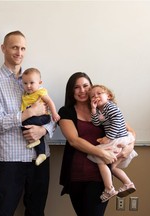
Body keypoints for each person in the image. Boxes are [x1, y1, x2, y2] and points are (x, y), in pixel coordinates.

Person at [0, 31, 55, 216]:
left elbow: (51, 118)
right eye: (14, 47)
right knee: (2, 211)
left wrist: (42, 130)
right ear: (3, 48)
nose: (19, 52)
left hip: (38, 159)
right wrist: (29, 113)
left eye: (23, 48)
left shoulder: (35, 78)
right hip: (9, 159)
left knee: (36, 211)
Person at [57, 72, 136, 216]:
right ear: (71, 91)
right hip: (76, 175)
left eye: (86, 86)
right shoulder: (66, 112)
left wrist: (130, 146)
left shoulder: (104, 107)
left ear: (92, 87)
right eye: (77, 87)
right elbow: (74, 140)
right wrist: (101, 153)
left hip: (100, 178)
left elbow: (129, 130)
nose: (82, 90)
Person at [87, 84, 137, 202]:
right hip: (117, 139)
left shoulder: (111, 107)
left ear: (108, 96)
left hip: (117, 139)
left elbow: (117, 121)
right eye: (92, 96)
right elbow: (96, 123)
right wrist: (93, 110)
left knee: (98, 157)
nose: (96, 97)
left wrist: (108, 138)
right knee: (113, 167)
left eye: (99, 93)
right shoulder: (101, 110)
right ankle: (128, 184)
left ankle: (109, 189)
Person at [21, 67, 60, 166]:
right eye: (25, 83)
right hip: (35, 119)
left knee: (24, 122)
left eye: (32, 83)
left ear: (40, 82)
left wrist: (54, 113)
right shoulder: (26, 94)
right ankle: (41, 153)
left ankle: (37, 142)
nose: (28, 86)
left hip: (43, 118)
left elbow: (49, 102)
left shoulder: (40, 92)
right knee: (27, 127)